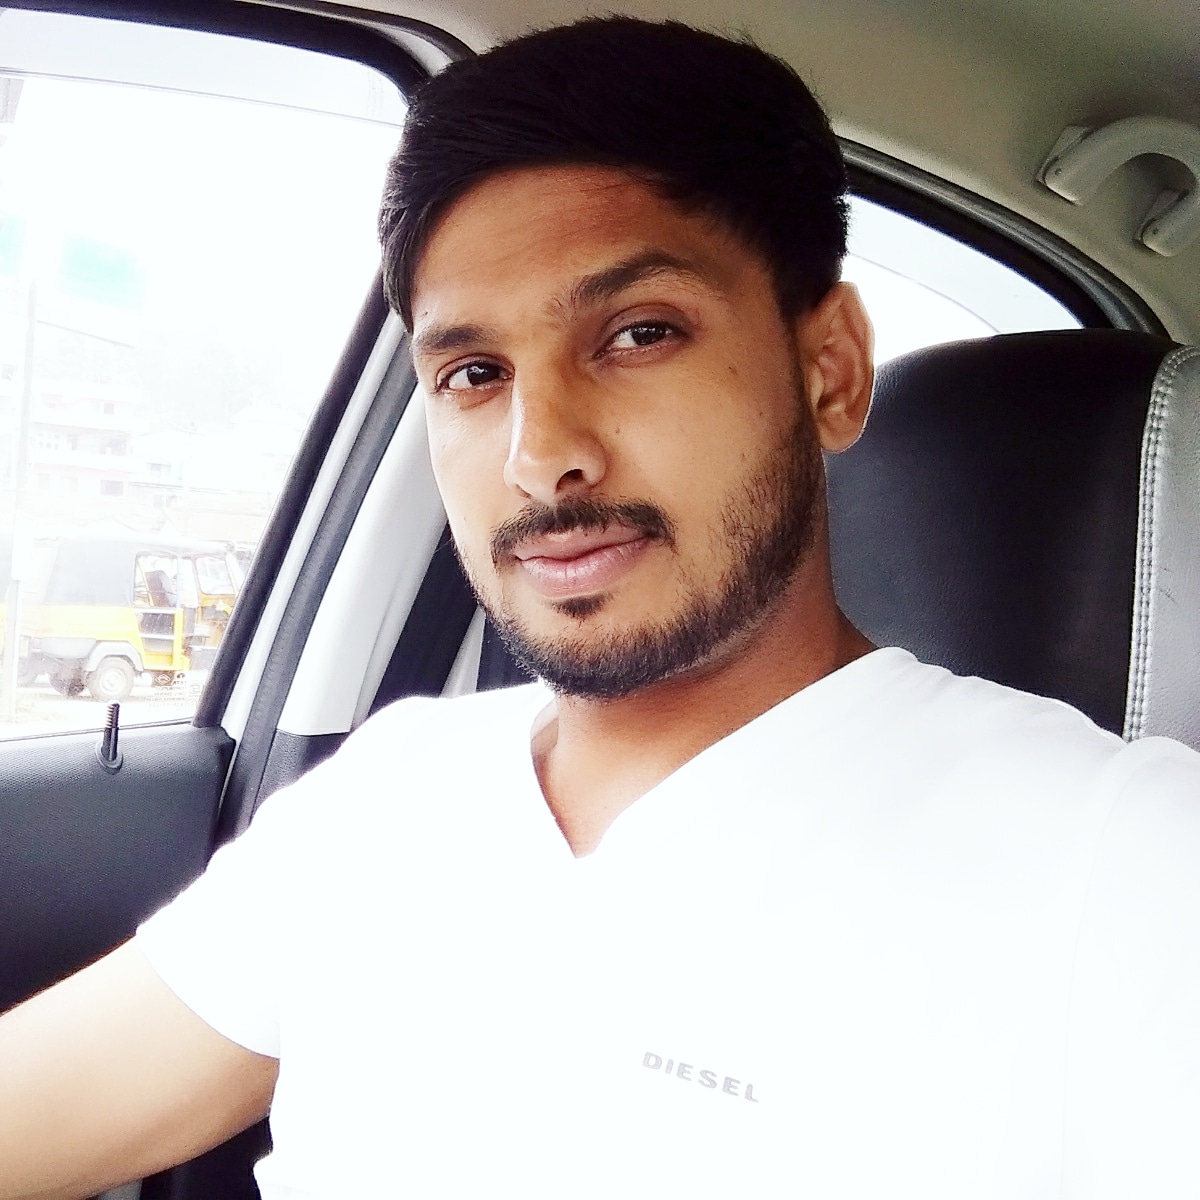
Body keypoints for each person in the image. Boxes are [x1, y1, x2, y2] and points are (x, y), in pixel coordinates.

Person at [2, 15, 1200, 1200]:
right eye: (475, 374)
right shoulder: (384, 796)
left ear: (829, 372)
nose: (541, 455)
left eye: (637, 334)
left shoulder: (1126, 860)